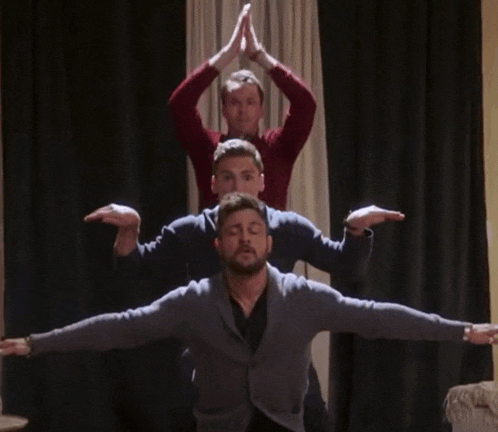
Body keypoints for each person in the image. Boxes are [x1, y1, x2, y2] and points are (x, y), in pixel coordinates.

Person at [2, 192, 497, 432]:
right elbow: (120, 328)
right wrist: (38, 343)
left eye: (254, 230)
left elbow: (379, 316)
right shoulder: (193, 301)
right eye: (234, 231)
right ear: (219, 244)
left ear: (269, 240)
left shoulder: (303, 297)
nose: (245, 238)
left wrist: (462, 331)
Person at [84, 139, 404, 432]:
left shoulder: (288, 227)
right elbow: (136, 270)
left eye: (246, 176)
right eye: (227, 177)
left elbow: (346, 265)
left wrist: (356, 229)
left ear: (261, 182)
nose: (237, 185)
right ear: (213, 183)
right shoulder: (192, 231)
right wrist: (129, 231)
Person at [168, 4, 316, 210]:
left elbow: (305, 105)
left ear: (261, 110)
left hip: (268, 241)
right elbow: (180, 105)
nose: (243, 110)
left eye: (250, 102)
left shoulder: (278, 148)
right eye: (234, 102)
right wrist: (226, 55)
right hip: (216, 241)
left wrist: (260, 56)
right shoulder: (208, 147)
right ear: (224, 110)